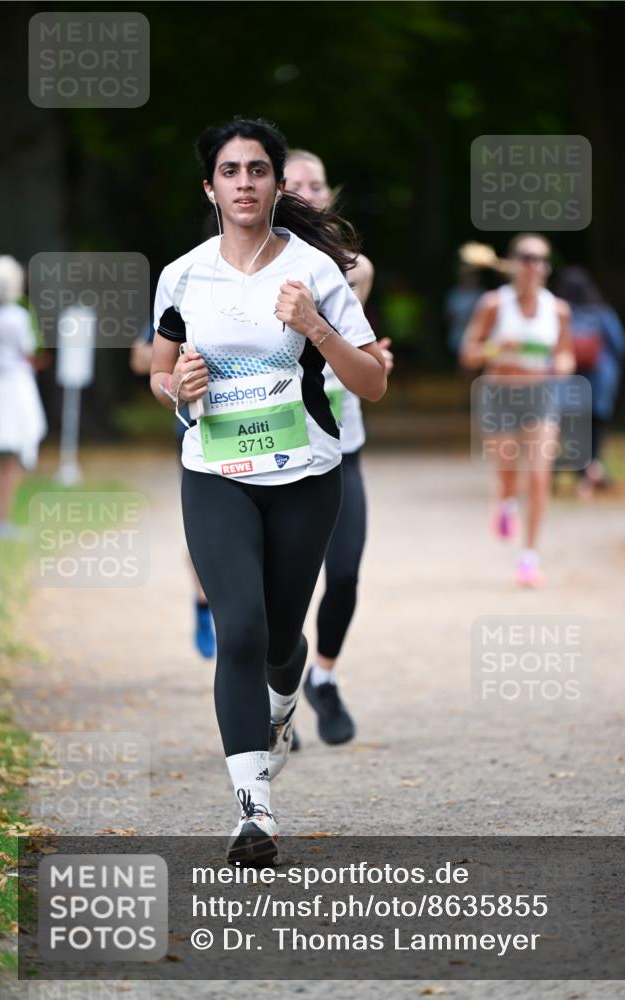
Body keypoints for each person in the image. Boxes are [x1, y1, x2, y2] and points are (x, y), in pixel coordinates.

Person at [150, 118, 386, 862]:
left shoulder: (317, 270)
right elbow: (160, 373)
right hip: (215, 473)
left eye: (258, 169)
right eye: (230, 170)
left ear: (277, 184)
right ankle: (255, 812)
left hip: (305, 477)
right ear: (210, 186)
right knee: (241, 632)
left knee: (283, 639)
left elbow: (372, 382)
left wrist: (316, 327)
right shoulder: (183, 274)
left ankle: (285, 703)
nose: (244, 182)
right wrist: (175, 389)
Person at [284, 149, 394, 746]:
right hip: (278, 447)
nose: (307, 192)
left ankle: (322, 679)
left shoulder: (356, 271)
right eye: (294, 183)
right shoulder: (246, 267)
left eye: (316, 183)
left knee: (345, 573)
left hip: (340, 443)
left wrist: (377, 360)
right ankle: (278, 695)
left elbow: (364, 347)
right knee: (283, 586)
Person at [460, 233, 575, 587]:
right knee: (508, 474)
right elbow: (469, 353)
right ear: (513, 263)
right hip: (500, 396)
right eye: (527, 257)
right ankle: (506, 502)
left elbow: (566, 353)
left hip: (540, 396)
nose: (535, 265)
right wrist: (496, 348)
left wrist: (562, 365)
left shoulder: (557, 309)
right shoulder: (494, 304)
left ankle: (529, 557)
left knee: (539, 475)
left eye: (541, 258)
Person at [130, 327, 215, 657]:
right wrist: (182, 363)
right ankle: (203, 606)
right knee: (205, 532)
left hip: (259, 427)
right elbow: (139, 360)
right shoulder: (179, 293)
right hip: (199, 430)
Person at [552, 266, 625, 497]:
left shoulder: (561, 315)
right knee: (595, 434)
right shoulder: (602, 313)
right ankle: (591, 474)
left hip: (569, 386)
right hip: (600, 384)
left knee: (574, 433)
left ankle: (579, 475)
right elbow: (621, 346)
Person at [0, 256, 47, 539]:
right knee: (13, 456)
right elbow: (29, 350)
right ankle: (3, 519)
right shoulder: (18, 317)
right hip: (14, 388)